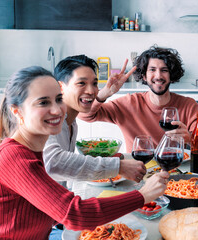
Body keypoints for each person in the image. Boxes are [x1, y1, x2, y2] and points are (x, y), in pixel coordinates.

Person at [0, 66, 169, 239]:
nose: (56, 110)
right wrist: (143, 195)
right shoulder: (13, 157)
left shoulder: (30, 151)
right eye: (43, 102)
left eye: (58, 99)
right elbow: (75, 214)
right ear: (17, 112)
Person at [43, 55, 145, 186]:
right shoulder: (49, 119)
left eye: (95, 84)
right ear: (60, 87)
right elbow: (53, 163)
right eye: (81, 83)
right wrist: (118, 167)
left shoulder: (71, 122)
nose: (91, 91)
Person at [78, 46, 198, 152]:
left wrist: (191, 139)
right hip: (137, 170)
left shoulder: (188, 105)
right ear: (144, 76)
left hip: (175, 172)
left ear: (172, 76)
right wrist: (103, 94)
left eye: (164, 70)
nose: (158, 76)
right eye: (152, 70)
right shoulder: (128, 103)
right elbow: (85, 115)